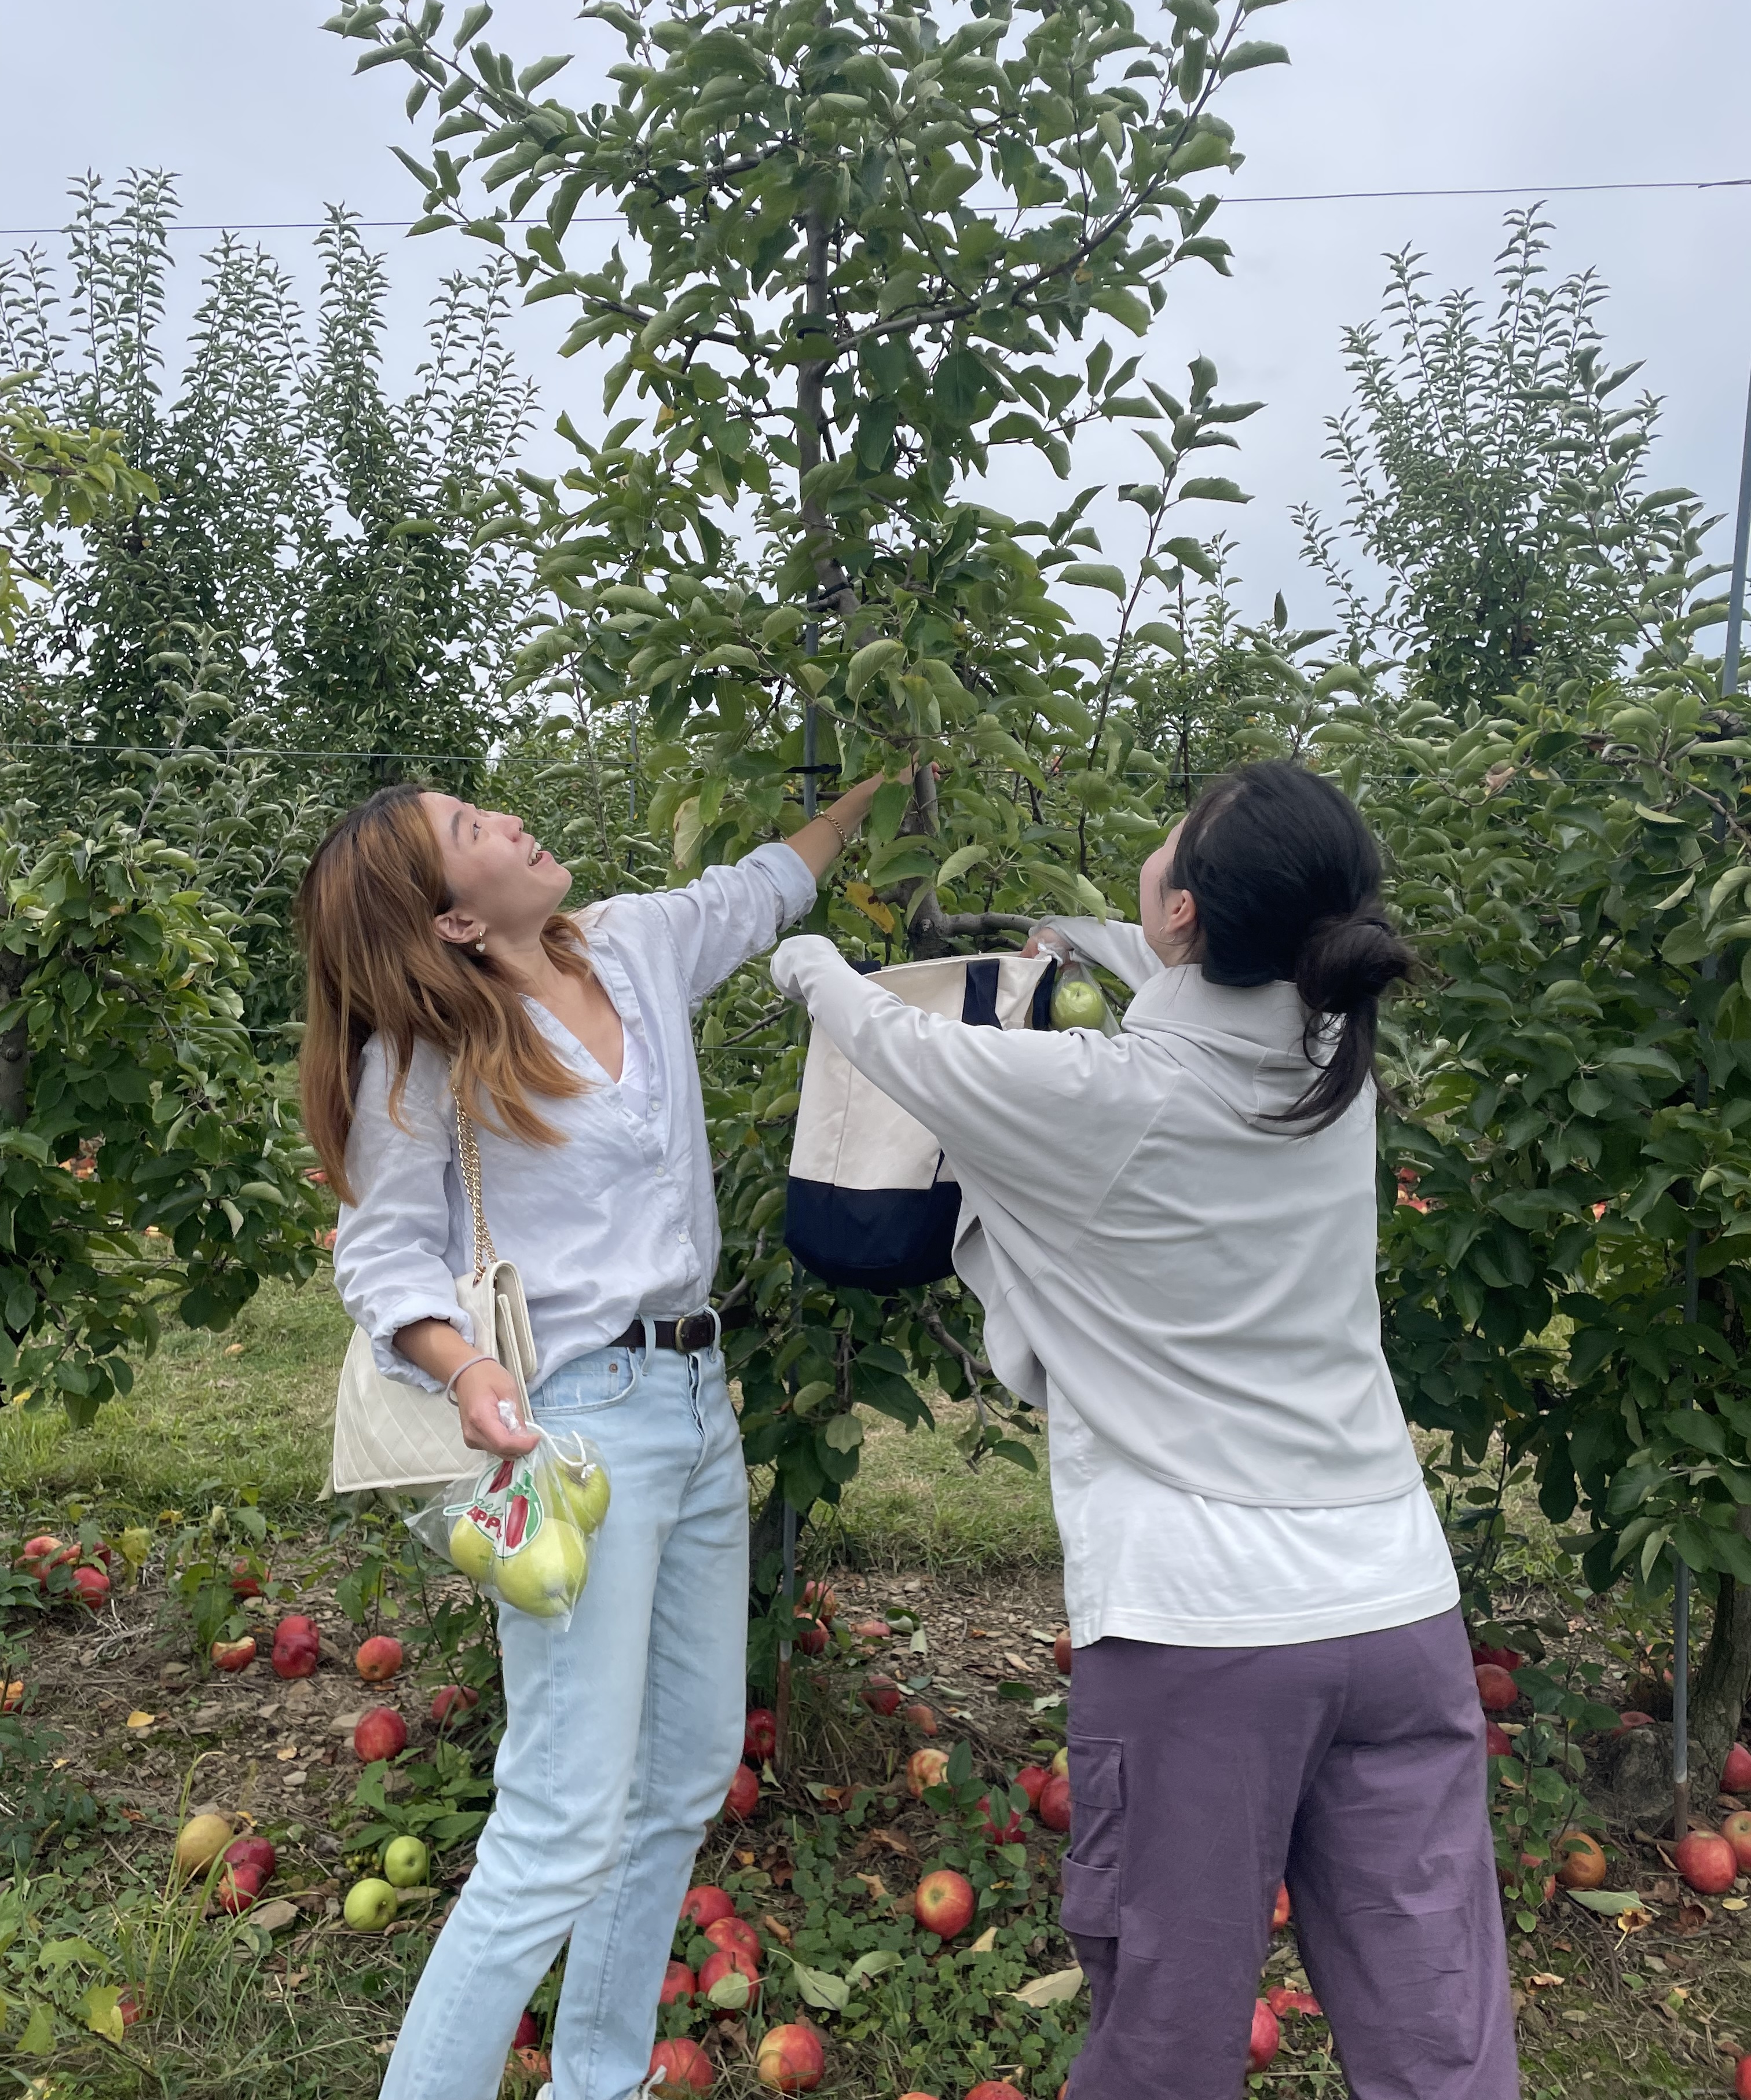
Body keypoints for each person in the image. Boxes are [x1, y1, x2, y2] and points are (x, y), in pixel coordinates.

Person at [769, 760, 1517, 2100]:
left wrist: (812, 959)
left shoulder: (1101, 1099)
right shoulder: (1330, 1053)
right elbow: (1182, 976)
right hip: (1399, 1614)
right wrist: (1083, 941)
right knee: (1438, 2027)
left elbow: (904, 1051)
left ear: (1186, 916)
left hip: (1206, 1636)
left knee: (1169, 2030)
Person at [297, 772, 888, 2100]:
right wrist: (460, 1370)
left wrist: (857, 804)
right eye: (470, 832)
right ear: (450, 921)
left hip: (693, 1401)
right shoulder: (428, 1051)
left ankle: (597, 2083)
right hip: (569, 1431)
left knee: (681, 1773)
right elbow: (382, 1254)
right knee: (561, 1817)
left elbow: (759, 888)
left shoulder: (628, 943)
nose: (507, 822)